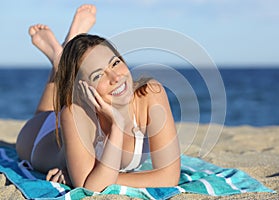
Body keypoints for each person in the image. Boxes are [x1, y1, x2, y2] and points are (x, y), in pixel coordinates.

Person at [16, 4, 180, 192]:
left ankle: (62, 57)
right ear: (81, 88)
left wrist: (103, 177)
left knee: (57, 100)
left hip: (76, 104)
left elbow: (169, 176)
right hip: (41, 138)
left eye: (116, 62)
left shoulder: (149, 93)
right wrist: (116, 126)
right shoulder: (73, 114)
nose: (116, 77)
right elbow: (91, 187)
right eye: (98, 75)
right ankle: (61, 61)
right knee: (43, 114)